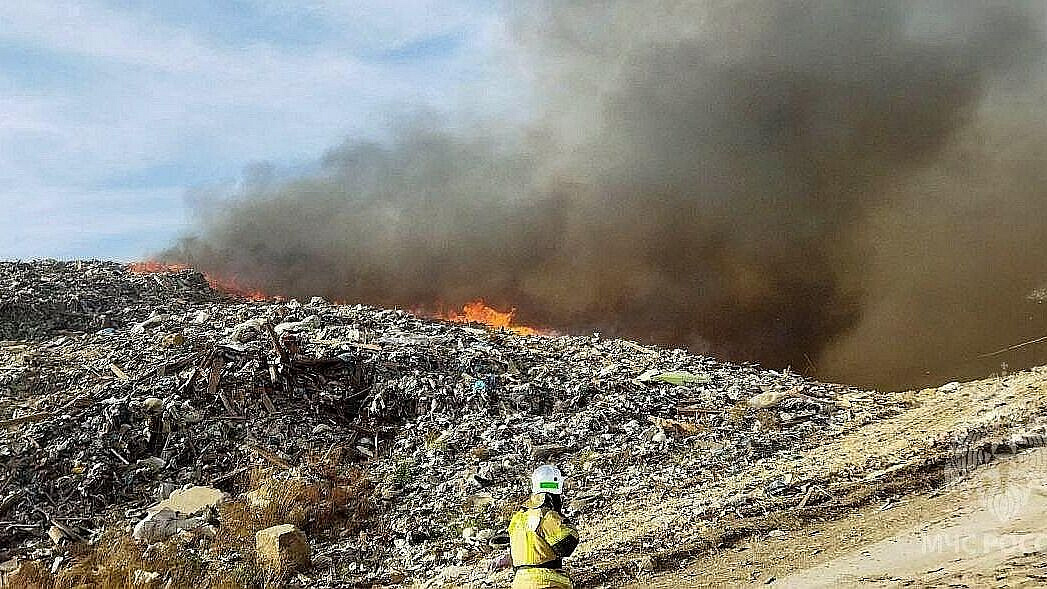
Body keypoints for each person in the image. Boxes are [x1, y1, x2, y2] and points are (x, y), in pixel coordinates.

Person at [491, 465, 580, 589]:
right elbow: (567, 544)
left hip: (519, 583)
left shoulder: (518, 518)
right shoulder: (546, 516)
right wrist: (564, 522)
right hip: (546, 582)